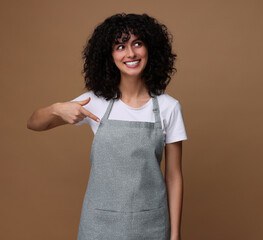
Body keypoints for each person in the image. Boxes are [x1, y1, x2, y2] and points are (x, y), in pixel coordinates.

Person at [27, 13, 187, 240]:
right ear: (109, 55)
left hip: (151, 225)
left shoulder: (169, 107)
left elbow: (174, 177)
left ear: (150, 49)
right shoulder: (95, 102)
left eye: (137, 44)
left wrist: (175, 235)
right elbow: (33, 123)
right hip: (98, 226)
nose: (130, 53)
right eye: (120, 46)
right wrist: (56, 109)